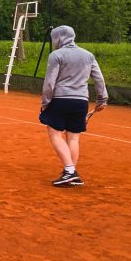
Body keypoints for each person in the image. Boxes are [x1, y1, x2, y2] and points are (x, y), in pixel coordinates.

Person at [39, 25, 108, 187]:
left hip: (60, 99)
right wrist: (102, 99)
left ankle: (70, 171)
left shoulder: (56, 55)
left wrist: (45, 102)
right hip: (81, 101)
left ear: (58, 38)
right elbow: (99, 79)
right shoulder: (88, 55)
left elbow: (49, 82)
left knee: (54, 133)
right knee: (74, 137)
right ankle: (70, 172)